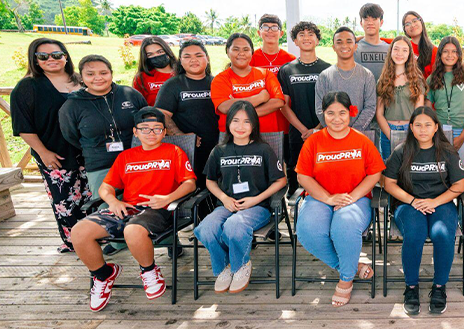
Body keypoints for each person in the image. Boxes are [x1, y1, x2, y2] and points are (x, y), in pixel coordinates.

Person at [69, 107, 196, 311]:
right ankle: (103, 274)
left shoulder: (174, 152)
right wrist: (113, 201)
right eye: (145, 129)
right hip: (126, 207)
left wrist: (168, 198)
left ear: (164, 132)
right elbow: (106, 187)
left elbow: (189, 183)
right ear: (135, 132)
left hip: (158, 209)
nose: (151, 133)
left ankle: (148, 270)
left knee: (133, 230)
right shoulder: (126, 157)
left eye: (157, 128)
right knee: (79, 232)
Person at [295, 92, 385, 307]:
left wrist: (352, 197)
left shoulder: (361, 141)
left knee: (343, 228)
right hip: (320, 197)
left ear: (350, 113)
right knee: (309, 231)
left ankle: (345, 280)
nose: (337, 118)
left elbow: (375, 173)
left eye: (342, 113)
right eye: (330, 113)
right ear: (323, 114)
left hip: (354, 199)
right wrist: (327, 198)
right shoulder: (314, 141)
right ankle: (351, 267)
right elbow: (303, 176)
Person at [195, 101, 287, 294]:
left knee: (234, 226)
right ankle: (224, 268)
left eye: (246, 121)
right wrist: (224, 198)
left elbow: (280, 181)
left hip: (257, 207)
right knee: (206, 228)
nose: (240, 126)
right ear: (228, 123)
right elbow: (210, 181)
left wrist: (255, 199)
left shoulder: (263, 149)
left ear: (253, 125)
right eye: (235, 121)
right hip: (226, 205)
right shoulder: (219, 151)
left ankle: (241, 265)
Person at [382, 106, 464, 315]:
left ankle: (439, 287)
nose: (422, 129)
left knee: (442, 234)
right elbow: (389, 183)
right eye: (418, 125)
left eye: (428, 125)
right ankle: (411, 287)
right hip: (408, 204)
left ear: (436, 127)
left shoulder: (447, 152)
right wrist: (412, 201)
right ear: (411, 127)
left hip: (441, 203)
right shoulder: (402, 151)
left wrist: (435, 202)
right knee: (415, 234)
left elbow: (459, 186)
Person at [11, 38, 89, 252]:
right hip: (55, 152)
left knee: (92, 196)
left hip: (89, 151)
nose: (51, 59)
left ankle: (95, 237)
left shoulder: (81, 80)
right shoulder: (27, 87)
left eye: (56, 54)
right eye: (43, 56)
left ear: (65, 56)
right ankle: (75, 243)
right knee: (65, 200)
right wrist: (43, 152)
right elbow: (23, 126)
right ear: (35, 60)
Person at [59, 54, 148, 199]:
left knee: (143, 206)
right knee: (108, 211)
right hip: (101, 165)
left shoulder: (130, 94)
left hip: (138, 162)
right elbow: (71, 135)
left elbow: (147, 121)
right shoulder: (72, 105)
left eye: (103, 73)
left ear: (111, 74)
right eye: (90, 74)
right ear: (81, 77)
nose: (98, 78)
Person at [155, 39, 219, 186]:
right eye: (187, 56)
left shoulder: (217, 82)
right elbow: (161, 114)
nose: (193, 60)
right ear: (181, 61)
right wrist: (182, 138)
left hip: (216, 148)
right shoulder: (172, 85)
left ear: (207, 59)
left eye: (198, 55)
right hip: (187, 152)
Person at [278, 21, 331, 195]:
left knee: (322, 169)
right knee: (297, 169)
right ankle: (295, 207)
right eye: (301, 34)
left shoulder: (328, 69)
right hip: (297, 132)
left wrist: (317, 129)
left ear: (317, 40)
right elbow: (283, 105)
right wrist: (303, 130)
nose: (306, 38)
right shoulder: (287, 70)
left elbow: (332, 104)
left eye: (310, 34)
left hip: (323, 130)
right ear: (295, 41)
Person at [210, 33, 285, 134]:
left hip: (267, 134)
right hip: (233, 136)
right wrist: (260, 98)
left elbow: (278, 102)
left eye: (246, 49)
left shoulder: (266, 74)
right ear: (228, 51)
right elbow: (225, 107)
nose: (241, 53)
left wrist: (241, 110)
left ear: (252, 52)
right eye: (236, 49)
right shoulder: (220, 79)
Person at [425, 36, 464, 160]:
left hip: (462, 131)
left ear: (459, 54)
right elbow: (428, 109)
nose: (450, 55)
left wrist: (462, 137)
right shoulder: (432, 78)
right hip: (439, 132)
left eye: (454, 51)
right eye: (445, 51)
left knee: (460, 173)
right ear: (440, 54)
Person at [249, 14, 296, 153]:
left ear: (281, 33)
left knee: (288, 162)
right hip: (260, 121)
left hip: (286, 120)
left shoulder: (290, 60)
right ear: (259, 33)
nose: (270, 31)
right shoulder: (251, 59)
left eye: (274, 27)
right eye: (265, 27)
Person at [314, 27, 377, 132]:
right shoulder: (324, 76)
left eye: (349, 41)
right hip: (333, 135)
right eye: (339, 42)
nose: (344, 45)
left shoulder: (367, 75)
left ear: (355, 46)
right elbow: (320, 109)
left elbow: (370, 107)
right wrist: (337, 130)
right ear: (334, 47)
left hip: (361, 135)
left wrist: (353, 131)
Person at [375, 36, 426, 159]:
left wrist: (411, 133)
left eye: (404, 50)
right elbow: (379, 113)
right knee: (388, 171)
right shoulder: (383, 80)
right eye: (396, 49)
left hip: (410, 131)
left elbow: (419, 112)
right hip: (388, 130)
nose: (399, 54)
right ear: (391, 52)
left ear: (409, 54)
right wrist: (390, 135)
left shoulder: (417, 80)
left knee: (408, 170)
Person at [132, 36, 176, 106]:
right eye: (150, 54)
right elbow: (136, 105)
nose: (156, 56)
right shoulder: (142, 78)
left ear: (167, 51)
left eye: (160, 52)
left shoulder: (183, 73)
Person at [354, 3, 390, 82]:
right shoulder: (353, 48)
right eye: (366, 19)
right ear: (361, 23)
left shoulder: (390, 49)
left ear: (381, 22)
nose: (370, 23)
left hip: (384, 93)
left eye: (374, 19)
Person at [402, 10, 438, 78]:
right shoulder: (403, 47)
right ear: (405, 30)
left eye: (414, 21)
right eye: (407, 24)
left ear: (421, 22)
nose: (412, 25)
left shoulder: (434, 51)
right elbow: (386, 41)